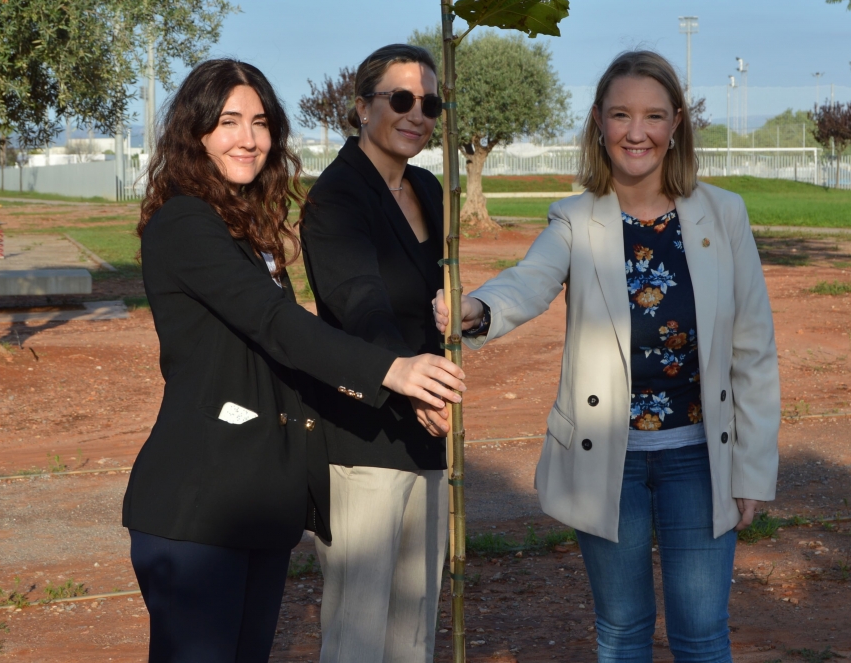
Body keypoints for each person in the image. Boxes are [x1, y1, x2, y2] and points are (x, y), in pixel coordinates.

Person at [436, 50, 780, 663]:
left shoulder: (723, 214)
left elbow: (753, 349)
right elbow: (529, 281)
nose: (636, 132)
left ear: (677, 123)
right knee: (621, 630)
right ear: (599, 121)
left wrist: (752, 470)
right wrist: (477, 309)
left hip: (701, 458)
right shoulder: (575, 218)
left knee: (702, 633)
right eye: (621, 115)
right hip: (606, 459)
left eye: (653, 115)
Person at [123, 58, 465, 663]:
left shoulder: (242, 227)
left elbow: (285, 354)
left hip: (257, 504)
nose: (248, 138)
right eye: (228, 121)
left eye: (260, 123)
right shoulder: (184, 223)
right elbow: (276, 324)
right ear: (195, 132)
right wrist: (393, 371)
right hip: (197, 505)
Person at [299, 43, 451, 663]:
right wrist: (413, 383)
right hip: (363, 437)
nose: (417, 114)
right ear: (362, 107)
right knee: (358, 636)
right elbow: (359, 305)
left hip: (430, 430)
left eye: (430, 104)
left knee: (414, 632)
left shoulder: (428, 188)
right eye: (402, 99)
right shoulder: (336, 197)